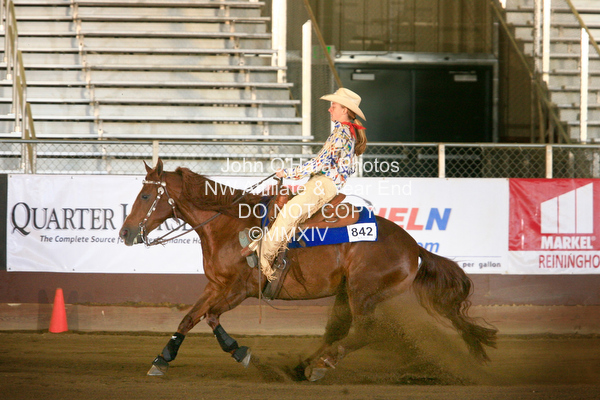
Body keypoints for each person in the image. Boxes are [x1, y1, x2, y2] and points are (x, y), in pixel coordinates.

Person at [247, 87, 367, 281]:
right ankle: (263, 245)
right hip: (323, 183)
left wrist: (288, 173)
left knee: (290, 212)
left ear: (344, 110)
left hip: (323, 184)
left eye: (333, 106)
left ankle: (264, 258)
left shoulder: (342, 133)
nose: (329, 109)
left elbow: (318, 163)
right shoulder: (345, 132)